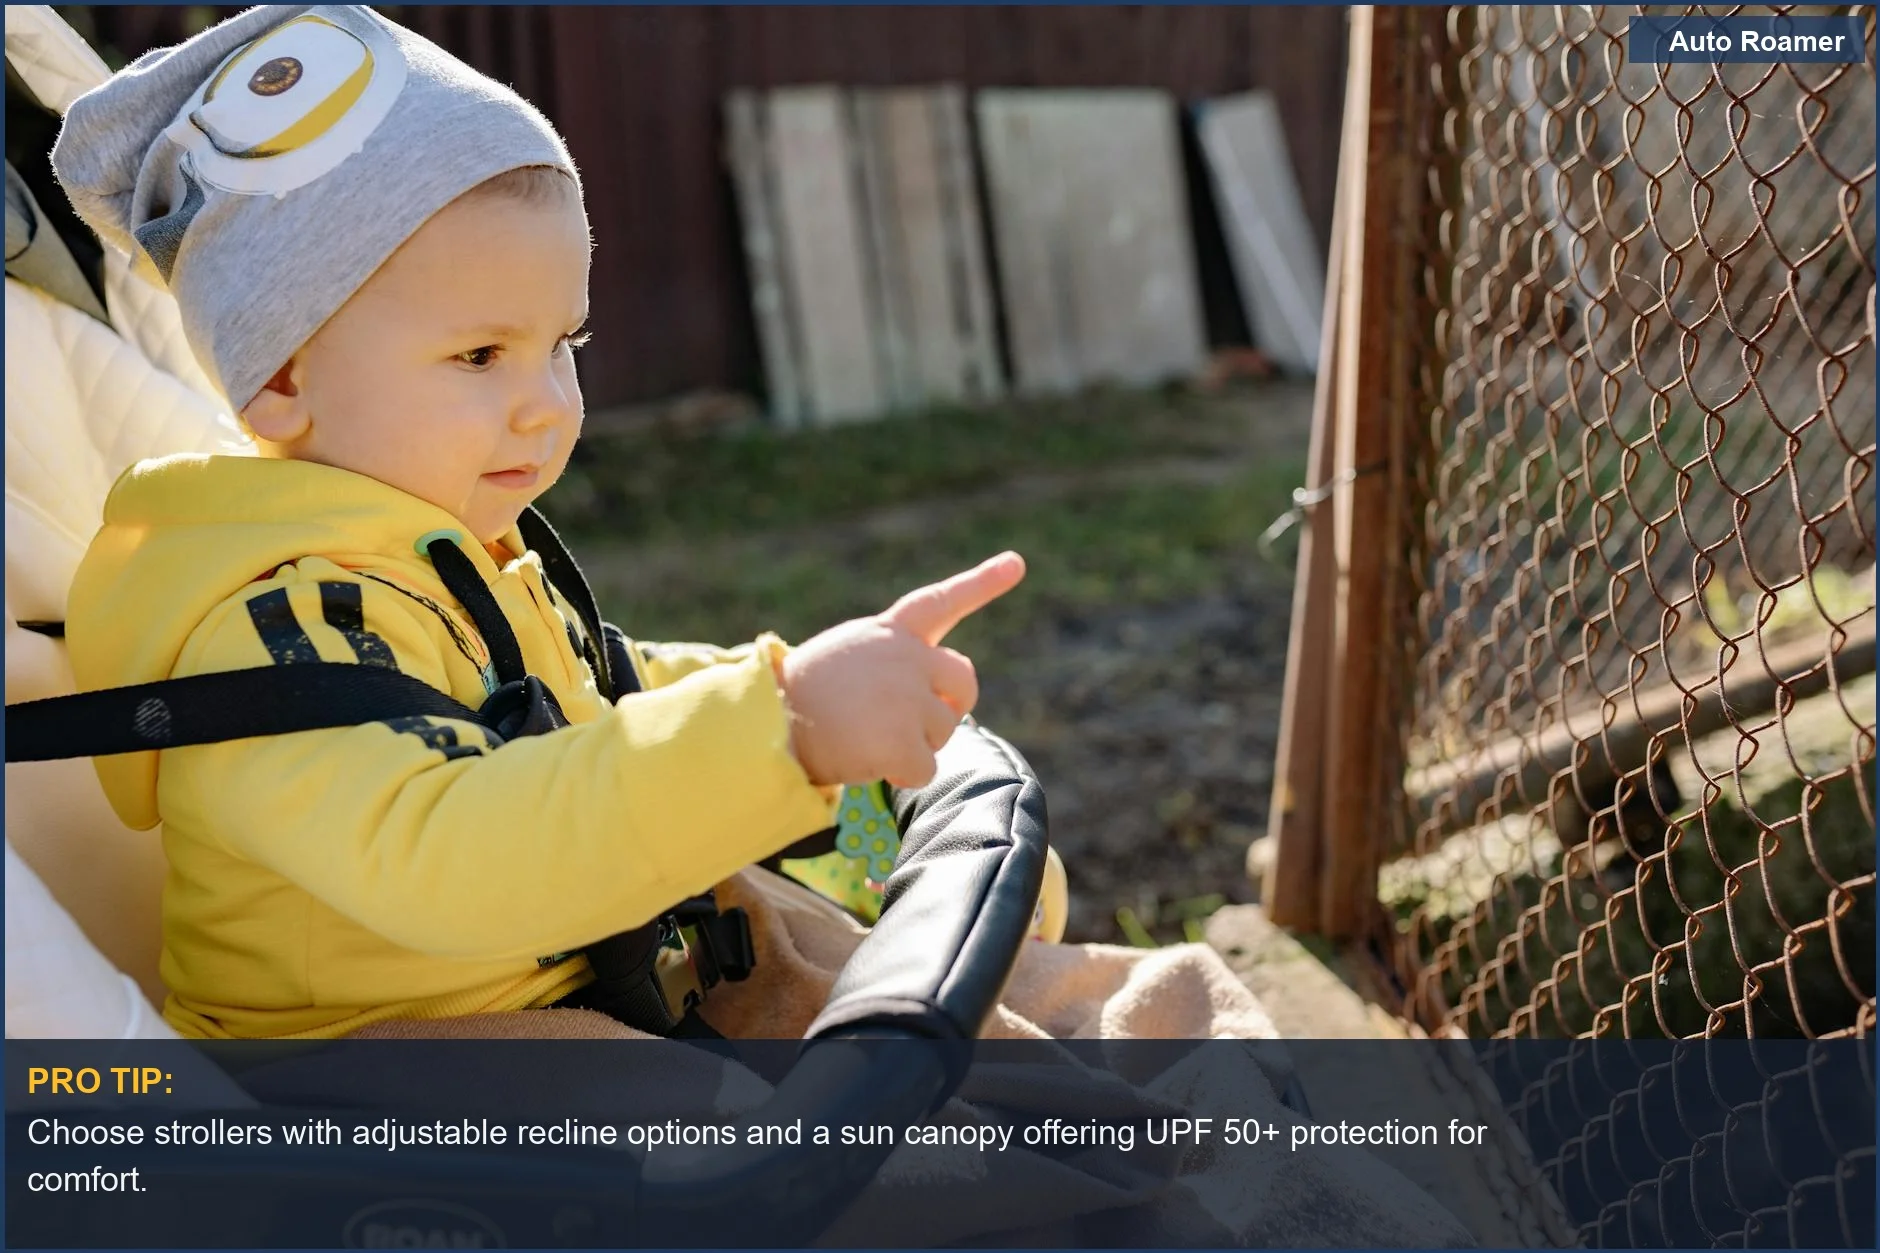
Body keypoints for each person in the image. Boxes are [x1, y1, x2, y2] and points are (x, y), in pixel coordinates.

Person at [51, 5, 1024, 1040]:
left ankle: (1082, 1044)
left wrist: (828, 720)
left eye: (564, 340)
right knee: (785, 1123)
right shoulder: (277, 635)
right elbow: (457, 857)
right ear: (284, 379)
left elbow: (609, 688)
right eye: (481, 355)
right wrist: (777, 730)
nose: (549, 403)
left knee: (843, 950)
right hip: (371, 1065)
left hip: (572, 981)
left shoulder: (455, 555)